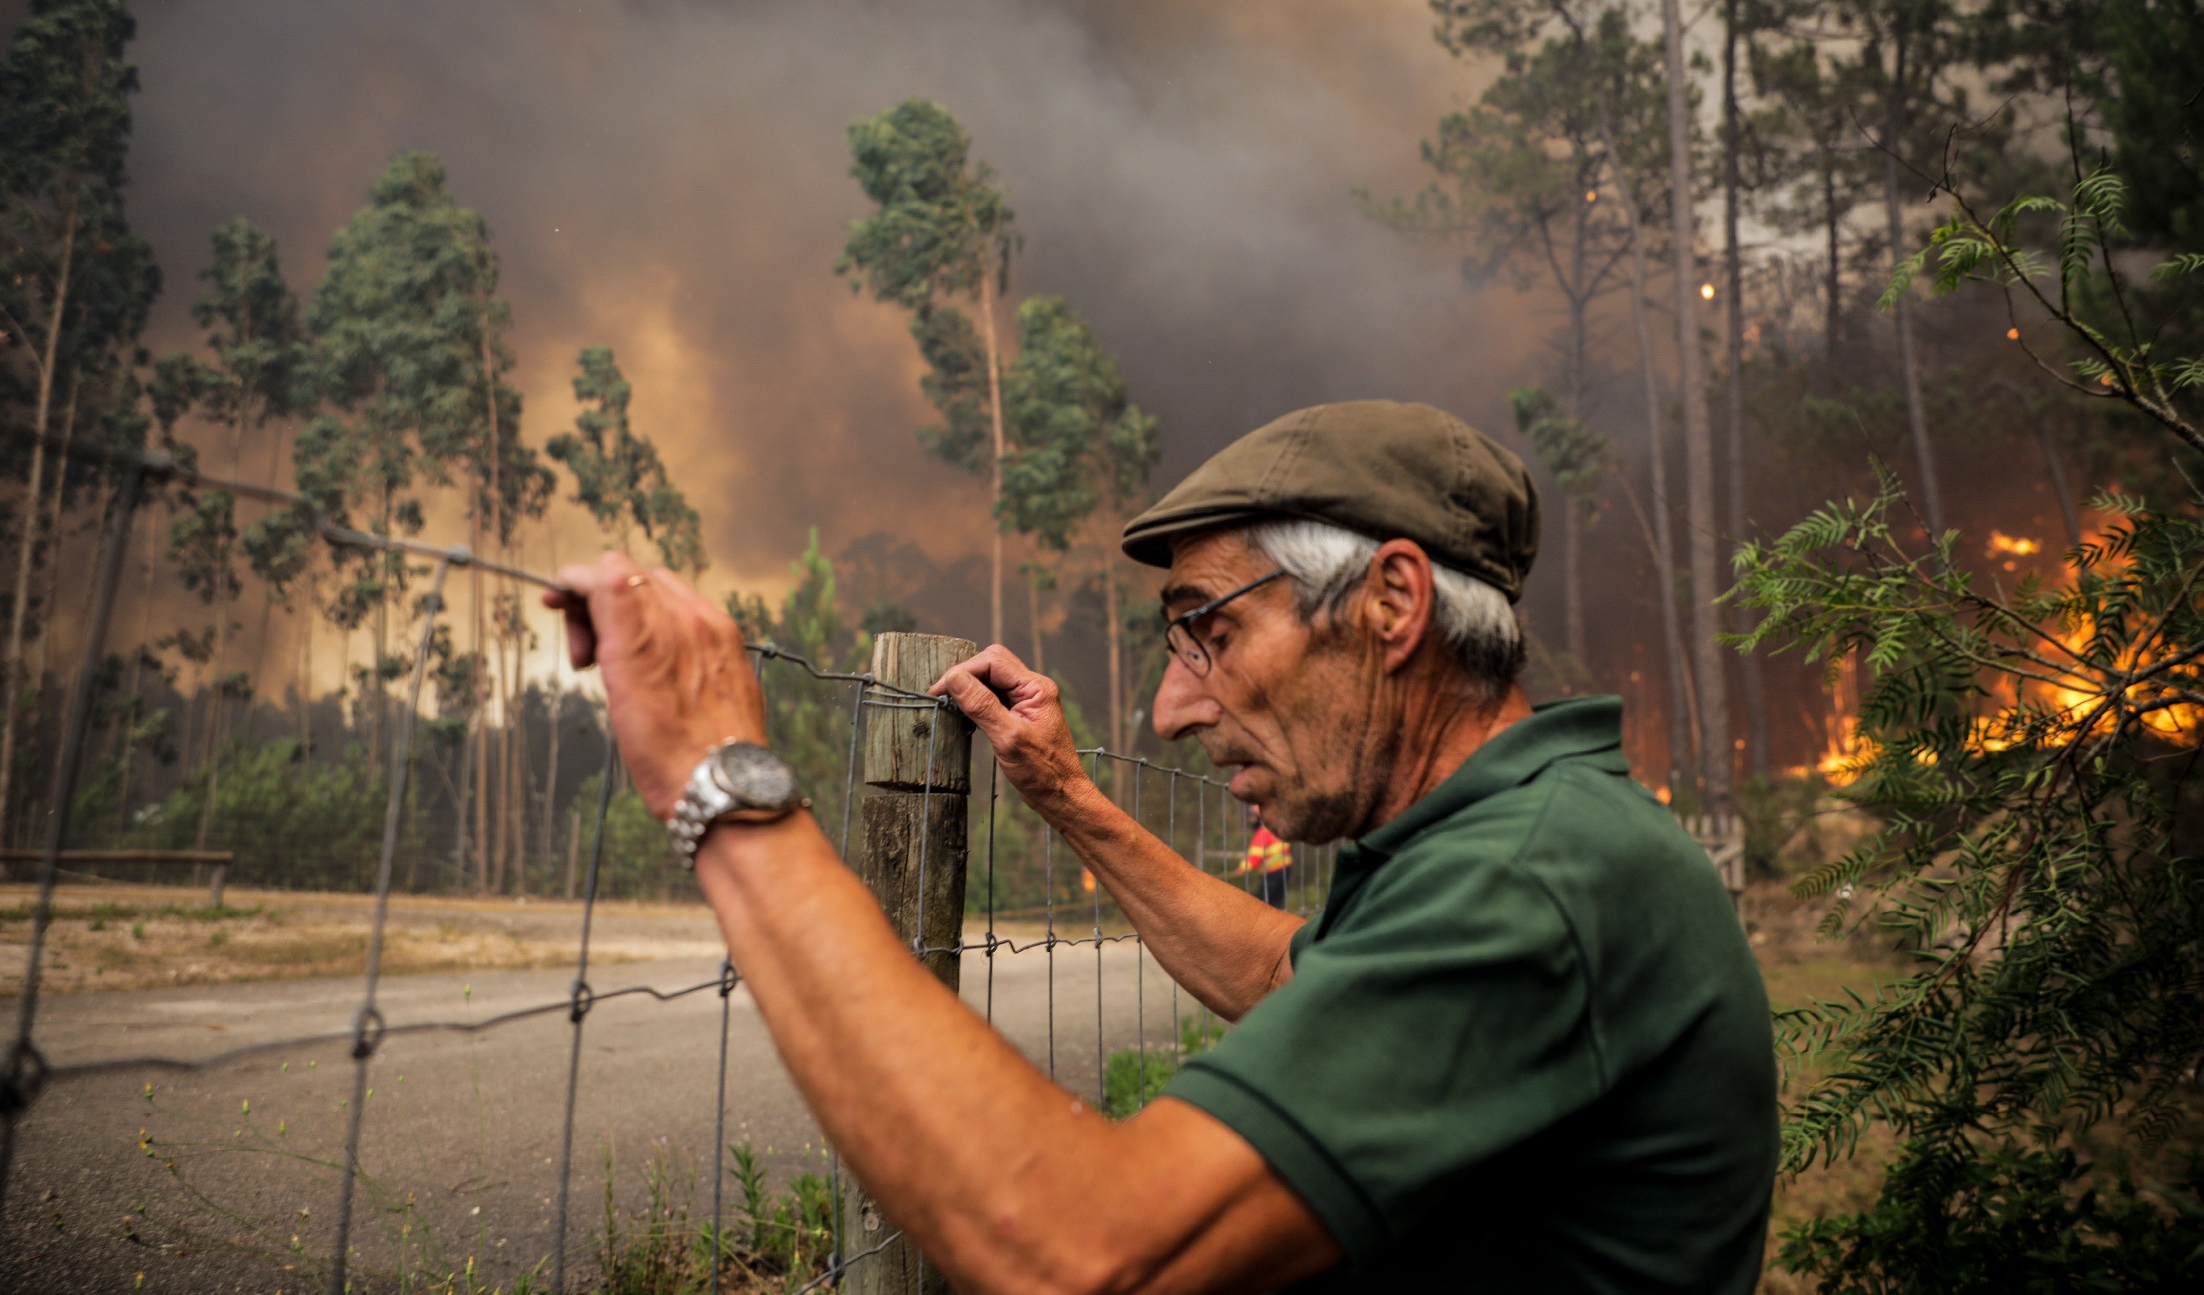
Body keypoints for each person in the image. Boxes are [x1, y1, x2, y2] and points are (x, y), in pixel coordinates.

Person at [545, 399, 1778, 1294]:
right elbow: (1301, 980)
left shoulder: (1530, 882)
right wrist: (1072, 800)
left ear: (1392, 604)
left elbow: (1082, 1252)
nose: (1171, 708)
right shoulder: (1501, 833)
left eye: (1208, 633)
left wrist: (729, 789)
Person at [1242, 803, 1292, 908]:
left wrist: (1243, 867)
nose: (1250, 819)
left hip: (1273, 873)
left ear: (1259, 817)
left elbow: (1256, 855)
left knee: (1261, 904)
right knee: (1276, 903)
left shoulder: (1262, 833)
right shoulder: (1274, 829)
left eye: (1253, 816)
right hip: (1285, 869)